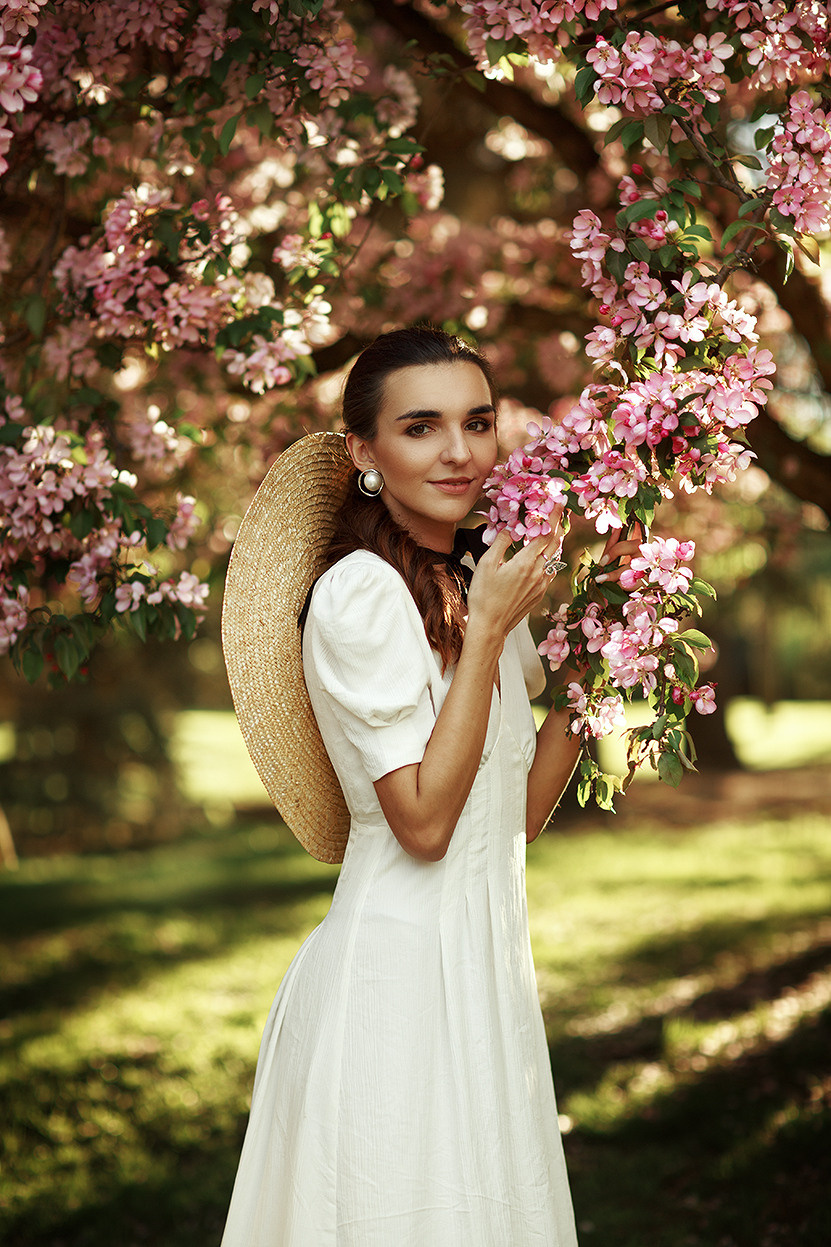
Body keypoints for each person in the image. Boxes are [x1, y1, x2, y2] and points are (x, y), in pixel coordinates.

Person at [220, 326, 620, 1246]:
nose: (458, 451)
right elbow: (425, 825)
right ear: (364, 451)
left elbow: (508, 814)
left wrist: (607, 667)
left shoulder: (477, 579)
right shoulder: (360, 595)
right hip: (396, 978)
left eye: (476, 422)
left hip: (485, 965)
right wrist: (483, 635)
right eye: (420, 426)